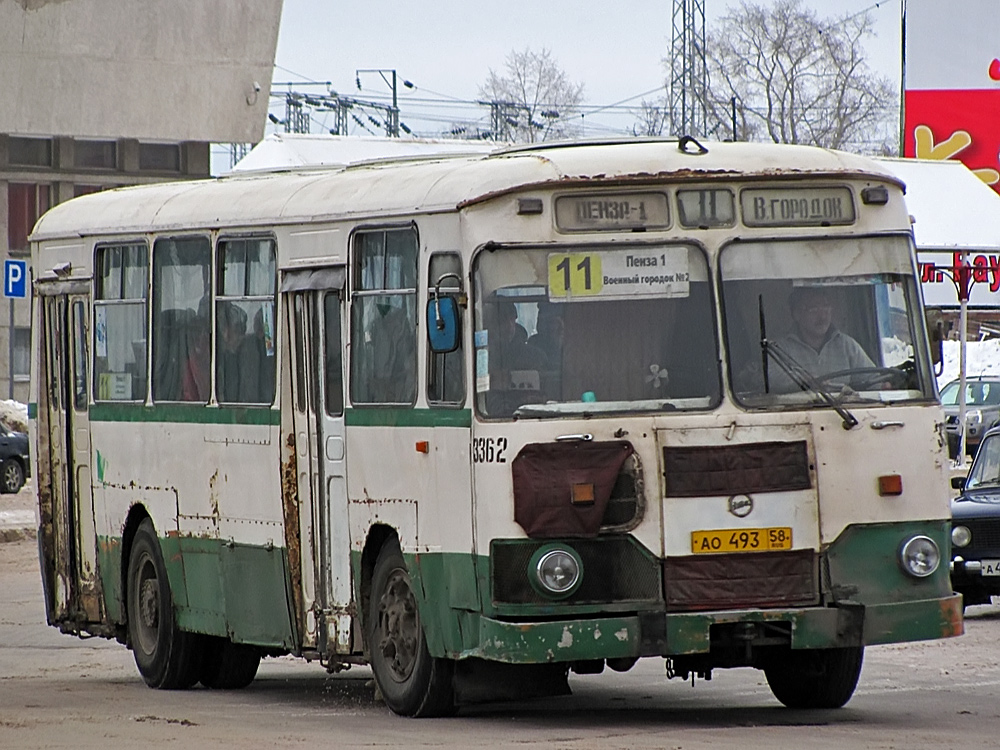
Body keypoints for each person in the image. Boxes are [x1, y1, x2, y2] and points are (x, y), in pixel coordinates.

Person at [768, 286, 876, 393]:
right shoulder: (780, 349)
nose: (822, 317)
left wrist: (886, 384)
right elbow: (773, 382)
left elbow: (873, 380)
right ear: (796, 314)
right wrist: (805, 382)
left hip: (843, 409)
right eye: (813, 309)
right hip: (799, 409)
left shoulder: (846, 345)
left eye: (826, 308)